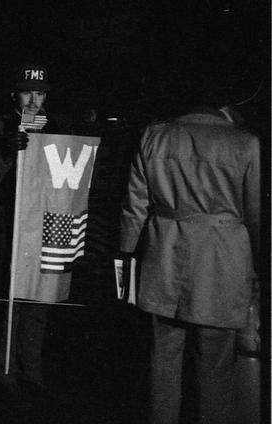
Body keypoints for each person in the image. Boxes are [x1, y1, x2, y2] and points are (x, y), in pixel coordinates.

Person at [119, 88, 260, 424]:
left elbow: (134, 207)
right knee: (215, 367)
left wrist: (125, 257)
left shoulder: (154, 137)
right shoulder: (246, 143)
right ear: (225, 106)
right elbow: (256, 215)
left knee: (163, 360)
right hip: (222, 264)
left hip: (163, 259)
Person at [0, 63, 64, 399]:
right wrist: (4, 152)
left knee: (38, 302)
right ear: (14, 94)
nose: (34, 99)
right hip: (6, 229)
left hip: (43, 229)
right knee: (8, 303)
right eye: (28, 92)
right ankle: (5, 372)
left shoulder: (54, 128)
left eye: (40, 93)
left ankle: (33, 371)